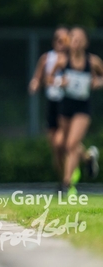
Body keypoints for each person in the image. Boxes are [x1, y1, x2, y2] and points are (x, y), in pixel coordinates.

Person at [50, 27, 103, 195]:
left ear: (86, 42)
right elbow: (50, 79)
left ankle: (66, 185)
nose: (77, 42)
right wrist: (60, 82)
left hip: (82, 107)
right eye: (74, 38)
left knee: (71, 144)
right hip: (66, 106)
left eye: (80, 39)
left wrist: (97, 83)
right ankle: (88, 156)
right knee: (63, 144)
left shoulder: (93, 62)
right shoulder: (62, 61)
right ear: (69, 41)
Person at [28, 27, 70, 179]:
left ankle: (72, 173)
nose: (61, 43)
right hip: (52, 102)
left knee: (63, 142)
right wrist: (34, 84)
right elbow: (38, 77)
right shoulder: (47, 58)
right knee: (55, 146)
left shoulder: (72, 59)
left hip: (65, 103)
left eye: (65, 40)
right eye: (59, 40)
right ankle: (65, 180)